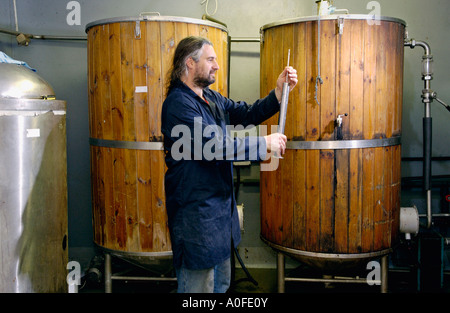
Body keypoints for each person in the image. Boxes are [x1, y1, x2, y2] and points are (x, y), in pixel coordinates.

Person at [161, 36, 297, 293]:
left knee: (221, 286)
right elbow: (214, 148)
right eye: (210, 59)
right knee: (198, 291)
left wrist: (278, 92)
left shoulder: (209, 98)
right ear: (190, 63)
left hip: (219, 218)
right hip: (197, 219)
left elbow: (246, 114)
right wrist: (263, 144)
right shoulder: (179, 105)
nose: (217, 66)